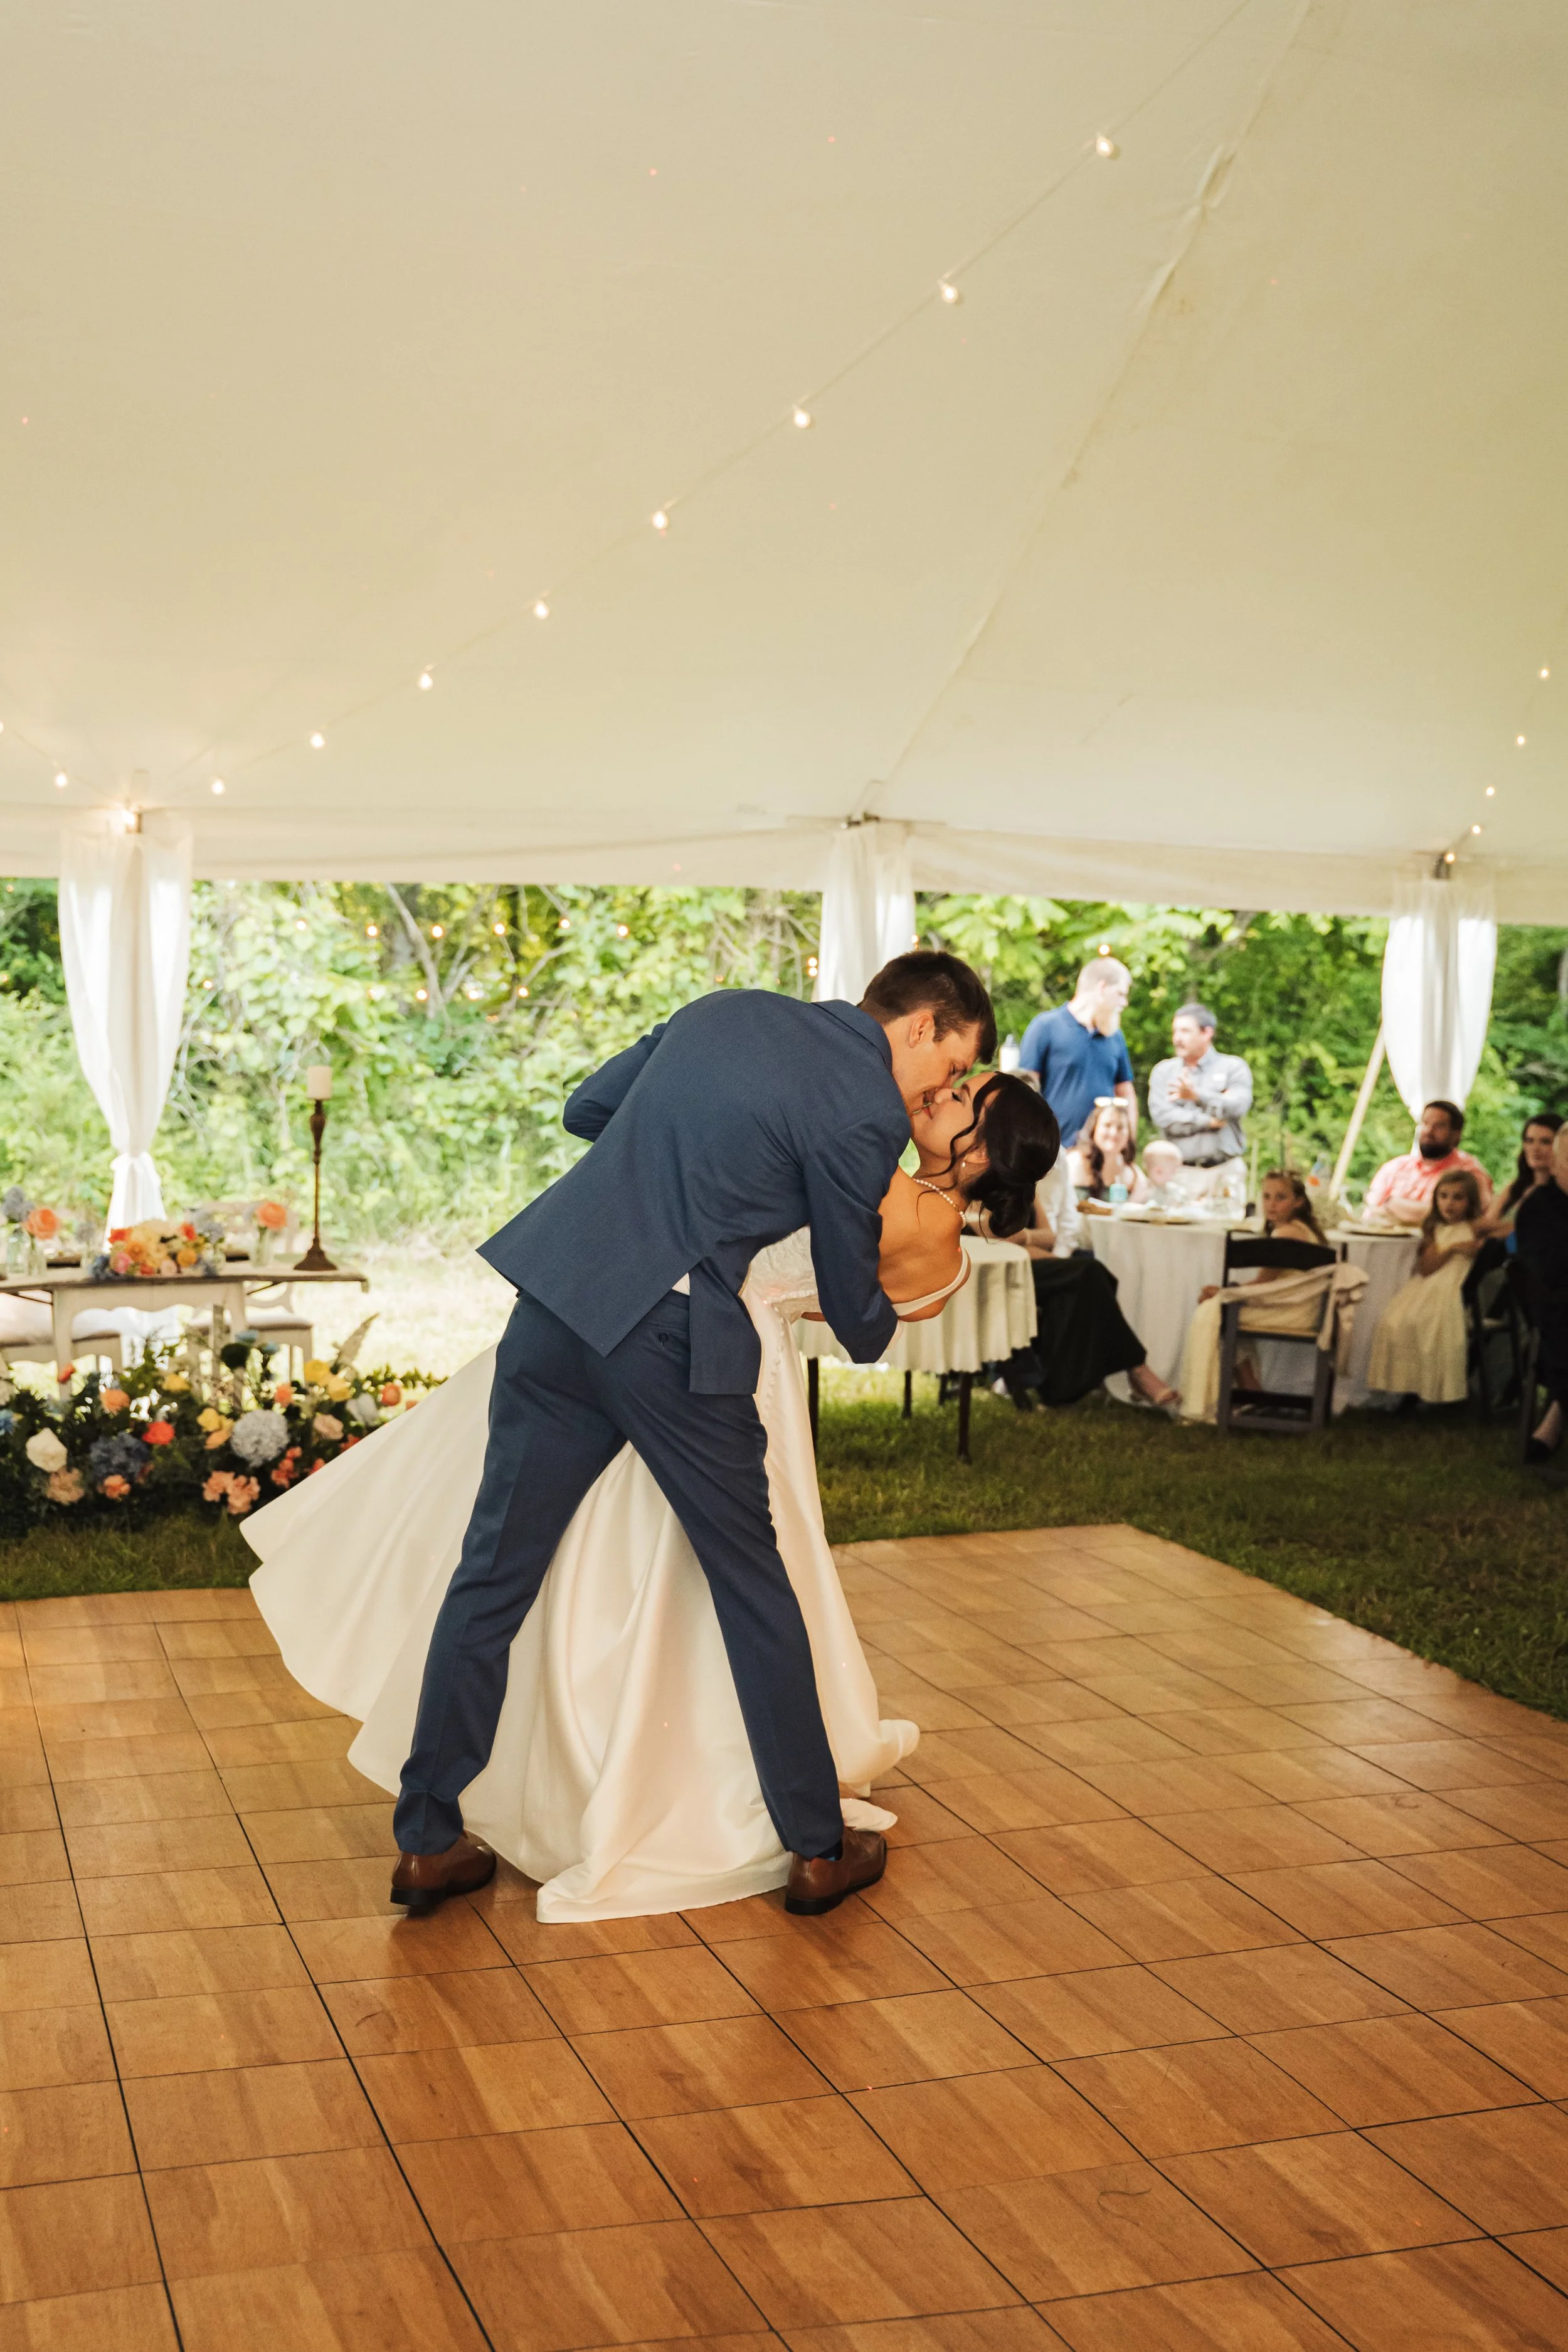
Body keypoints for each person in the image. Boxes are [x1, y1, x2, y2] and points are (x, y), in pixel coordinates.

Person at [244, 1067, 1054, 1924]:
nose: (939, 1093)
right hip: (704, 1355)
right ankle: (805, 1839)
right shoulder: (868, 1159)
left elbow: (843, 1299)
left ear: (984, 1156)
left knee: (519, 1576)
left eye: (965, 1096)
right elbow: (845, 1299)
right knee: (740, 1590)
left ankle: (440, 1824)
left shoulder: (887, 1179)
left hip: (678, 1346)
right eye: (955, 1078)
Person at [999, 1147, 1180, 1409]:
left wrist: (1025, 1238)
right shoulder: (981, 1184)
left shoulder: (1024, 1183)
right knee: (1093, 1274)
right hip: (998, 1270)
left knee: (1080, 1285)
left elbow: (1048, 1236)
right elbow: (997, 1244)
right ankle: (1138, 1370)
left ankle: (1059, 1391)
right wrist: (1032, 1245)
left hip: (1033, 1265)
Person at [1178, 1170, 1329, 1419]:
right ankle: (1253, 1392)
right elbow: (1268, 1284)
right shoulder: (1301, 1228)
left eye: (1281, 1198)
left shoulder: (1287, 1234)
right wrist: (1228, 1293)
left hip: (1292, 1312)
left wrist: (1224, 1292)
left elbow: (1264, 1283)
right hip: (1297, 1306)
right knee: (1223, 1310)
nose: (1271, 1204)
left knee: (1216, 1312)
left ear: (1298, 1202)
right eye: (1267, 1197)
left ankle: (1213, 1400)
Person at [1368, 1168, 1484, 1404]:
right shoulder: (1434, 1229)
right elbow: (1427, 1268)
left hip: (1453, 1289)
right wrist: (1452, 1249)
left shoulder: (1476, 1227)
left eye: (1457, 1198)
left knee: (1431, 1324)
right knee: (1397, 1321)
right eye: (1444, 1196)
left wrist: (1484, 1246)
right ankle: (1408, 1388)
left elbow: (1511, 1229)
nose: (1449, 1204)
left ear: (1470, 1201)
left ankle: (1434, 1390)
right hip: (1428, 1285)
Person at [1019, 957, 1136, 1150]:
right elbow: (1025, 1091)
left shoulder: (1115, 1036)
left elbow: (1126, 1093)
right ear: (1102, 988)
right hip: (1055, 1152)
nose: (1124, 1002)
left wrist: (1128, 1145)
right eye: (1120, 994)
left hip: (1101, 1156)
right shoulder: (1047, 1026)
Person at [1146, 1002, 1253, 1173]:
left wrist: (1197, 1096)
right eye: (1175, 1031)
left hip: (1225, 1170)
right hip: (1179, 1172)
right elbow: (1163, 1117)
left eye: (1185, 1031)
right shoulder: (1164, 1072)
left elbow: (1236, 1107)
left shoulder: (1233, 1067)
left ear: (1207, 1033)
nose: (1177, 1039)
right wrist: (1208, 1121)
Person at [1516, 1124, 1568, 1465]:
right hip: (1554, 1307)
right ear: (1559, 1162)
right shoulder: (1538, 1207)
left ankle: (1556, 1417)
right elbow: (1548, 1273)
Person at [1364, 1099, 1493, 1227]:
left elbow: (1456, 1217)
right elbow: (1371, 1212)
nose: (1429, 1131)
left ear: (1456, 1135)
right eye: (1425, 1124)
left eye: (1439, 1126)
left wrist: (1392, 1204)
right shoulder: (1395, 1168)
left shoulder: (1468, 1172)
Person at [1478, 1111, 1563, 1239]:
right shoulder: (1515, 1187)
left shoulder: (1563, 1192)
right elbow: (1483, 1228)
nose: (1535, 1148)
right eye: (1530, 1141)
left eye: (1545, 1142)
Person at [1070, 1101, 1148, 1203]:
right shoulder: (1075, 1163)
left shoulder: (1135, 1176)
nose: (1113, 1133)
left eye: (1120, 1128)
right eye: (1107, 1125)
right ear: (1094, 1130)